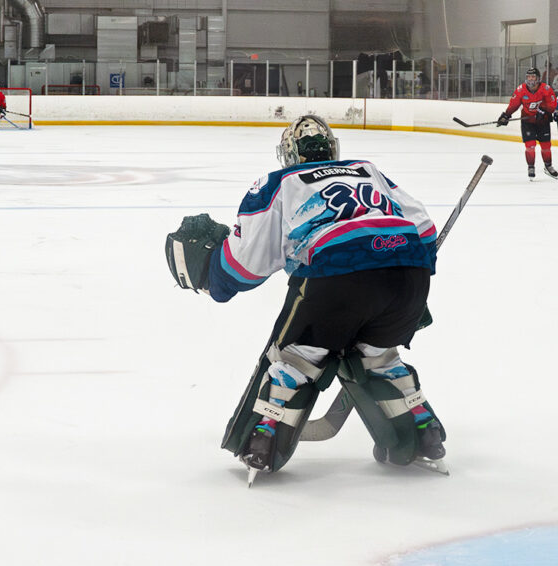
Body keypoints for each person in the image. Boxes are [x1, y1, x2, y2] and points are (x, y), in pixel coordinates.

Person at [164, 115, 447, 486]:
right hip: (408, 274)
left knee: (297, 359)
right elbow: (423, 228)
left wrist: (216, 280)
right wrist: (412, 281)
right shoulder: (369, 170)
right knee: (379, 355)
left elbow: (246, 263)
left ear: (290, 154)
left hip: (336, 275)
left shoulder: (278, 182)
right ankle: (423, 430)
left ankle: (263, 441)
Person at [497, 67, 558, 180]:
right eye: (528, 77)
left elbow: (552, 104)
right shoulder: (521, 90)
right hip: (527, 121)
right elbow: (514, 104)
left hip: (542, 121)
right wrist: (506, 115)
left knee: (546, 146)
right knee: (530, 146)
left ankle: (548, 166)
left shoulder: (546, 89)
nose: (530, 79)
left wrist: (544, 110)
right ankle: (531, 167)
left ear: (538, 78)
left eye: (533, 77)